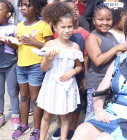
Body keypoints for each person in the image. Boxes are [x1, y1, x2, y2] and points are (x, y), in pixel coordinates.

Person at [37, 2, 83, 140]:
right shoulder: (49, 45)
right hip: (52, 84)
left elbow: (79, 66)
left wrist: (72, 72)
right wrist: (49, 60)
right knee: (47, 115)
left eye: (70, 26)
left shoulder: (75, 47)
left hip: (67, 84)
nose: (67, 30)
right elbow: (43, 68)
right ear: (55, 27)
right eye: (63, 27)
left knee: (64, 116)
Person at [11, 0, 53, 139]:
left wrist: (36, 43)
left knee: (35, 99)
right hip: (21, 65)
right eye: (21, 5)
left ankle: (37, 129)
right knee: (23, 97)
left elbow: (51, 46)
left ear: (37, 7)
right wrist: (13, 43)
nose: (23, 8)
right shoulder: (19, 25)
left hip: (36, 66)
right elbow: (19, 47)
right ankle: (24, 125)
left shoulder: (44, 25)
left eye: (27, 5)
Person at [52, 1, 89, 139]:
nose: (74, 11)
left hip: (78, 72)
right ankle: (61, 126)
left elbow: (85, 56)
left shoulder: (84, 33)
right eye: (69, 10)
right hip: (61, 73)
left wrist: (85, 75)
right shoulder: (58, 33)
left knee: (77, 101)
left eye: (75, 9)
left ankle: (72, 127)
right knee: (61, 100)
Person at [84, 4, 127, 119]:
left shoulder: (111, 35)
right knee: (93, 115)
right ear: (93, 21)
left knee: (106, 114)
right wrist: (116, 49)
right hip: (96, 83)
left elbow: (114, 55)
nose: (105, 22)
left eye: (108, 19)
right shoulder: (93, 37)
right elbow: (97, 60)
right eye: (100, 19)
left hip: (110, 82)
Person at [0, 0, 20, 131]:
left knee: (13, 92)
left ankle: (15, 115)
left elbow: (17, 45)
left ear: (8, 14)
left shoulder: (13, 28)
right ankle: (0, 115)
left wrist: (8, 42)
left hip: (11, 63)